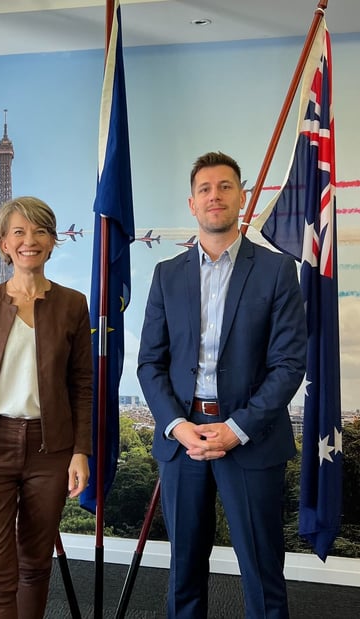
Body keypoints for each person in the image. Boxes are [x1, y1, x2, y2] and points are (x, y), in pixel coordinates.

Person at [137, 151, 307, 618]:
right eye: (205, 189)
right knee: (184, 572)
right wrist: (177, 425)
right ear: (192, 203)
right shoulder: (166, 275)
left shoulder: (277, 271)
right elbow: (150, 363)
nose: (215, 196)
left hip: (251, 439)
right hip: (184, 441)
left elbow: (289, 364)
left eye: (225, 187)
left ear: (242, 197)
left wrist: (236, 429)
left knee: (262, 572)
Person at [0, 196, 93, 619]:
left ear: (52, 242)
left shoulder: (73, 304)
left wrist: (80, 451)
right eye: (19, 232)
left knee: (34, 564)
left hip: (50, 450)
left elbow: (82, 386)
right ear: (4, 244)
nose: (29, 240)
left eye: (40, 231)